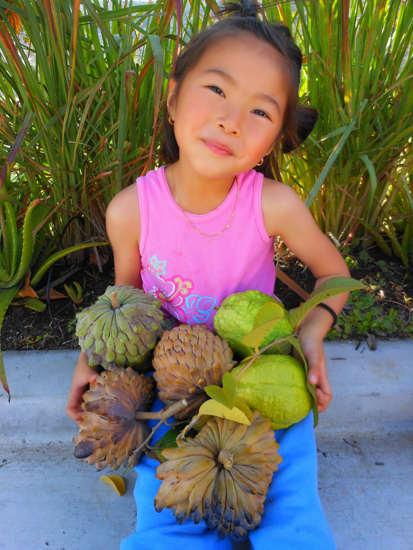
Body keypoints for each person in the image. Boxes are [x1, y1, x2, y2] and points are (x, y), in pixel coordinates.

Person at [67, 2, 350, 548]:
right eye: (216, 90)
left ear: (275, 140)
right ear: (173, 96)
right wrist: (89, 360)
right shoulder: (131, 211)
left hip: (262, 377)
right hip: (174, 394)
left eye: (261, 112)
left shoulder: (273, 204)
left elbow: (331, 273)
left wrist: (311, 334)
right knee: (170, 520)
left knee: (294, 514)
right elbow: (124, 298)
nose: (231, 120)